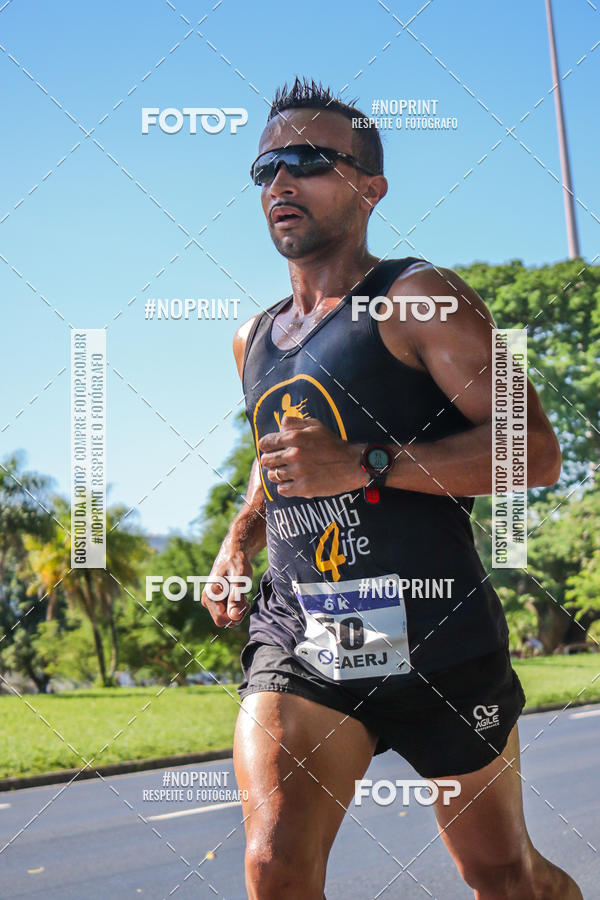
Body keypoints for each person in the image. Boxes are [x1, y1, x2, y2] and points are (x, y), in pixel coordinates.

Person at [202, 77, 581, 899]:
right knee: (273, 861)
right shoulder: (253, 338)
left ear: (369, 186)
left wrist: (370, 463)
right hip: (306, 633)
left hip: (439, 638)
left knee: (502, 876)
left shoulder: (420, 298)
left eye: (305, 161)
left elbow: (538, 452)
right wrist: (241, 536)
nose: (279, 183)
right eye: (265, 167)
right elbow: (283, 460)